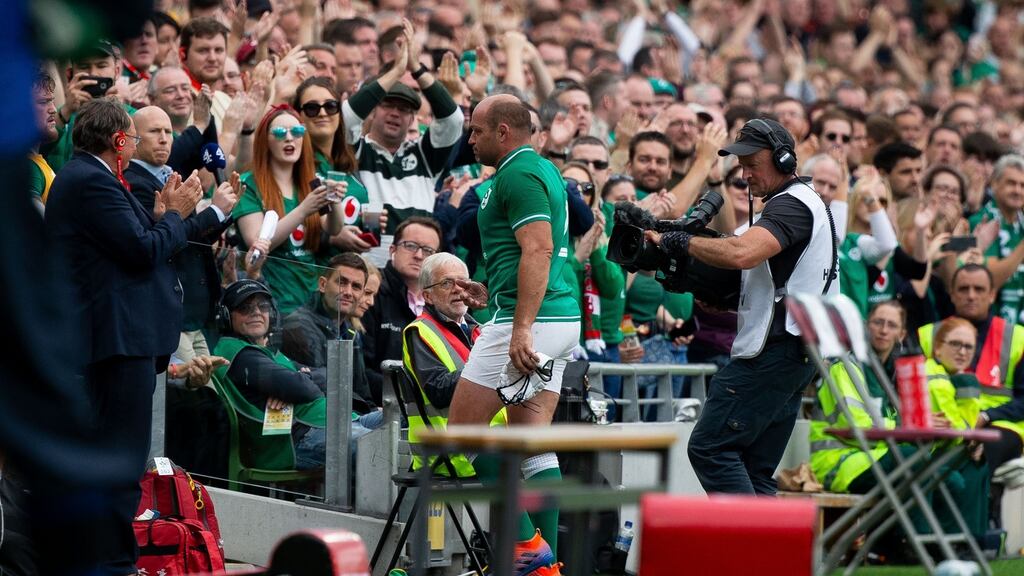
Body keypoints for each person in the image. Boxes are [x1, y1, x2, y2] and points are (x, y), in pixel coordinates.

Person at [45, 97, 203, 575]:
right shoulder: (90, 180)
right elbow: (141, 251)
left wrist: (162, 217)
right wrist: (174, 215)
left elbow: (133, 244)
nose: (136, 146)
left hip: (118, 342)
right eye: (133, 137)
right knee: (118, 462)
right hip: (114, 343)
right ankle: (113, 564)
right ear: (118, 141)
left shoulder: (94, 180)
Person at [647, 118, 837, 495]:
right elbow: (760, 273)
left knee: (710, 449)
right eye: (741, 163)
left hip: (773, 352)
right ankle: (764, 554)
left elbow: (743, 253)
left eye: (752, 162)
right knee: (754, 469)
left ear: (783, 159)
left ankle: (746, 551)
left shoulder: (793, 204)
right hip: (793, 354)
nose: (745, 172)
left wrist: (677, 242)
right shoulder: (799, 203)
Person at [449, 94, 580, 572]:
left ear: (503, 132)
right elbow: (525, 253)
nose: (470, 139)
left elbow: (540, 249)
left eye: (477, 131)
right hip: (556, 318)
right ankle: (548, 568)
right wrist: (494, 291)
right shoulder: (539, 170)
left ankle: (529, 548)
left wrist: (521, 325)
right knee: (530, 447)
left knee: (461, 434)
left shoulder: (519, 173)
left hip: (531, 323)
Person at [125, 106, 238, 367]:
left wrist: (222, 214)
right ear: (134, 138)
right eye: (154, 131)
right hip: (171, 312)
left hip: (196, 309)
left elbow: (193, 237)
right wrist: (213, 212)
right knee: (194, 396)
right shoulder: (135, 183)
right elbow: (170, 240)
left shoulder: (172, 176)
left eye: (168, 131)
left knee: (208, 397)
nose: (164, 138)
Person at [234, 105, 345, 314]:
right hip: (271, 302)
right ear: (265, 140)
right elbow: (257, 241)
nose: (289, 138)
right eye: (279, 132)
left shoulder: (311, 182)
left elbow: (333, 228)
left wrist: (335, 200)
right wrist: (303, 210)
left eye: (297, 132)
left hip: (310, 302)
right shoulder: (249, 184)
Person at [281, 253, 378, 416]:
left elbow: (362, 391)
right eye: (342, 282)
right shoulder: (297, 326)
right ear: (322, 284)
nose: (348, 292)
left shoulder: (348, 331)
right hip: (313, 423)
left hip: (348, 416)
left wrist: (373, 412)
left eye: (356, 286)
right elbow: (322, 390)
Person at [362, 216, 443, 404]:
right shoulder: (371, 293)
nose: (419, 255)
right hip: (379, 406)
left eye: (428, 250)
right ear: (392, 249)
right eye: (411, 245)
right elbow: (362, 369)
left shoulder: (441, 303)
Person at [29, 68, 58, 213]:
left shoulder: (34, 162)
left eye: (52, 101)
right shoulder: (27, 168)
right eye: (43, 102)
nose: (53, 109)